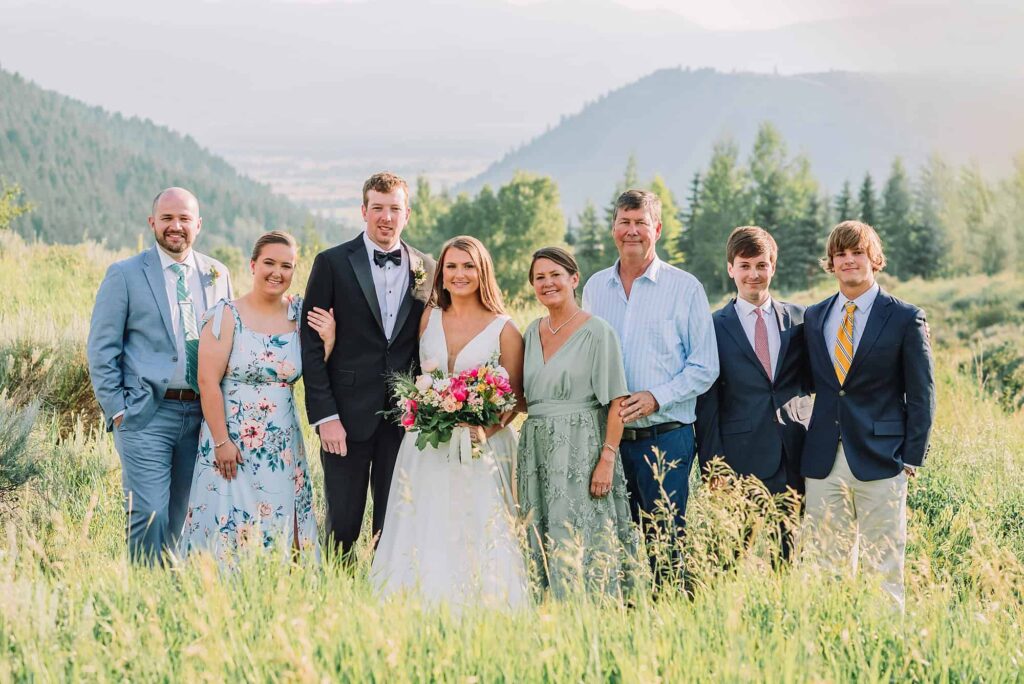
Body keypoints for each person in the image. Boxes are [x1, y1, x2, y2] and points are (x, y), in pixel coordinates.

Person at [371, 235, 528, 607]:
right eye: (452, 266)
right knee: (424, 525)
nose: (460, 274)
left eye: (469, 266)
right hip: (426, 445)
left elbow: (518, 397)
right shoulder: (429, 316)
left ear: (482, 271)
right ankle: (418, 601)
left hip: (482, 449)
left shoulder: (503, 327)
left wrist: (483, 430)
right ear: (440, 273)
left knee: (476, 527)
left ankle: (484, 603)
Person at [87, 187, 233, 564]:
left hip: (201, 416)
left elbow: (229, 343)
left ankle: (165, 602)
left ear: (198, 225)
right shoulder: (124, 274)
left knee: (181, 518)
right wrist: (118, 410)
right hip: (145, 413)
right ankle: (142, 601)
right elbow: (102, 349)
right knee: (148, 512)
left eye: (184, 219)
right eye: (167, 218)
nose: (176, 226)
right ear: (152, 222)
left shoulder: (218, 274)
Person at [582, 189, 718, 576]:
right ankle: (623, 621)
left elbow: (705, 365)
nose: (632, 231)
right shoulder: (594, 289)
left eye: (640, 222)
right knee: (613, 543)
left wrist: (657, 397)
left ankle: (671, 619)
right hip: (607, 441)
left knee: (665, 542)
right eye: (624, 222)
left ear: (656, 229)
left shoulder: (685, 287)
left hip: (666, 436)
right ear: (613, 229)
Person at [301, 172, 436, 559]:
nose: (386, 217)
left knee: (393, 522)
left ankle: (381, 598)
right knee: (342, 522)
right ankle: (335, 597)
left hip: (403, 420)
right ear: (363, 210)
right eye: (378, 208)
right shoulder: (331, 263)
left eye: (394, 209)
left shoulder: (427, 266)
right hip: (344, 417)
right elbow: (311, 347)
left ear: (407, 214)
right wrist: (325, 415)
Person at [177, 232, 335, 561]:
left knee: (282, 523)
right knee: (229, 525)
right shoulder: (226, 316)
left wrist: (329, 339)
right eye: (269, 263)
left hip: (281, 443)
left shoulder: (301, 316)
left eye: (286, 265)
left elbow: (318, 371)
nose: (277, 272)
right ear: (252, 265)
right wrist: (221, 441)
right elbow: (207, 382)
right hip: (231, 439)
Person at [801, 221, 935, 609]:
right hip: (823, 461)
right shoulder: (815, 317)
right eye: (840, 254)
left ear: (874, 259)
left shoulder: (906, 317)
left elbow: (923, 393)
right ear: (831, 263)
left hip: (882, 459)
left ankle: (885, 648)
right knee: (825, 564)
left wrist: (911, 458)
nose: (848, 260)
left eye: (856, 252)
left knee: (884, 565)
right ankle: (831, 646)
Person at [518, 247, 637, 597]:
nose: (547, 283)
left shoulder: (598, 331)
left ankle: (592, 606)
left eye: (555, 274)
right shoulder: (530, 332)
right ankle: (546, 606)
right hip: (536, 447)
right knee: (539, 531)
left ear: (574, 279)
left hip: (582, 447)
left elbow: (617, 400)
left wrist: (607, 458)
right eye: (539, 277)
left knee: (580, 530)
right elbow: (525, 397)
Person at [695, 226, 812, 557]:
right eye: (745, 266)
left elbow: (826, 377)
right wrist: (713, 469)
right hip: (738, 460)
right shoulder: (713, 327)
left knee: (789, 557)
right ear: (730, 268)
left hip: (795, 456)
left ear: (773, 266)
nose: (754, 274)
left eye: (761, 265)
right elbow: (707, 405)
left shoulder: (803, 319)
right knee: (730, 558)